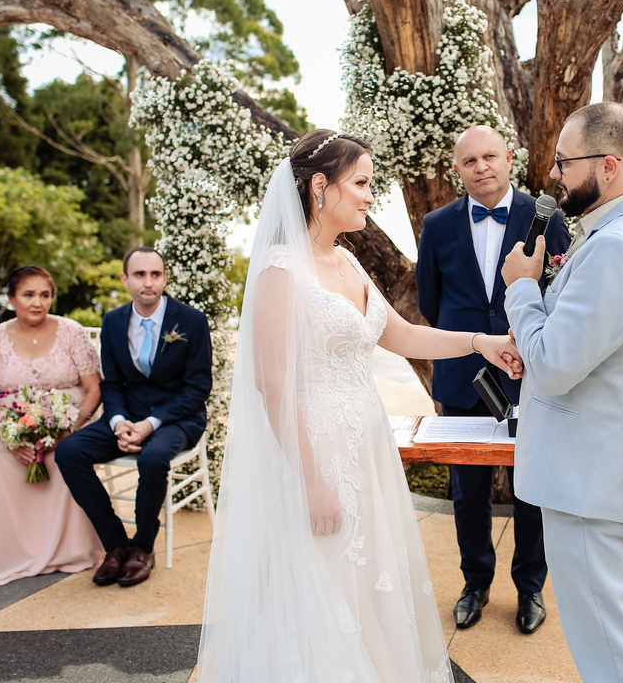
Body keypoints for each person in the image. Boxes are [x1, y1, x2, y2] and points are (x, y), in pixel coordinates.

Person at [197, 129, 524, 683]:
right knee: (330, 586)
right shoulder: (281, 270)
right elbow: (272, 386)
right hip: (314, 454)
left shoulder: (345, 261)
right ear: (320, 187)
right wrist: (311, 482)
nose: (372, 196)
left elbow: (398, 334)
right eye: (363, 183)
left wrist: (481, 343)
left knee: (366, 579)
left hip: (364, 447)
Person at [500, 103, 623, 683]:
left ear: (608, 166)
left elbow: (555, 365)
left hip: (589, 482)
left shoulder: (615, 246)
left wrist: (523, 291)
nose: (554, 174)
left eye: (564, 162)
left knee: (608, 645)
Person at [416, 125, 569, 634]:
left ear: (509, 158)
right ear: (457, 170)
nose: (480, 167)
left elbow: (563, 292)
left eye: (489, 157)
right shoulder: (436, 225)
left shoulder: (545, 217)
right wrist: (471, 344)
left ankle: (530, 588)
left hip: (531, 374)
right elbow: (430, 304)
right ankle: (475, 583)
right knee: (468, 491)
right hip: (462, 377)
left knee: (531, 487)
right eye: (468, 161)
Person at [0, 266, 104, 586]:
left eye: (44, 295)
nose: (37, 302)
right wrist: (10, 437)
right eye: (28, 295)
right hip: (9, 423)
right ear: (12, 299)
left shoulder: (72, 332)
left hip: (67, 422)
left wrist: (68, 429)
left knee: (67, 456)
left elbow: (94, 390)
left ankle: (69, 547)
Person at [56, 247, 213, 587]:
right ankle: (115, 544)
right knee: (68, 451)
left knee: (154, 457)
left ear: (164, 278)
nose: (148, 282)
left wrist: (150, 425)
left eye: (155, 274)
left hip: (178, 417)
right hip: (127, 416)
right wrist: (118, 422)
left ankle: (143, 546)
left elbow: (198, 389)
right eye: (140, 275)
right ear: (125, 279)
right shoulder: (113, 321)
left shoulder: (191, 321)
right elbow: (111, 384)